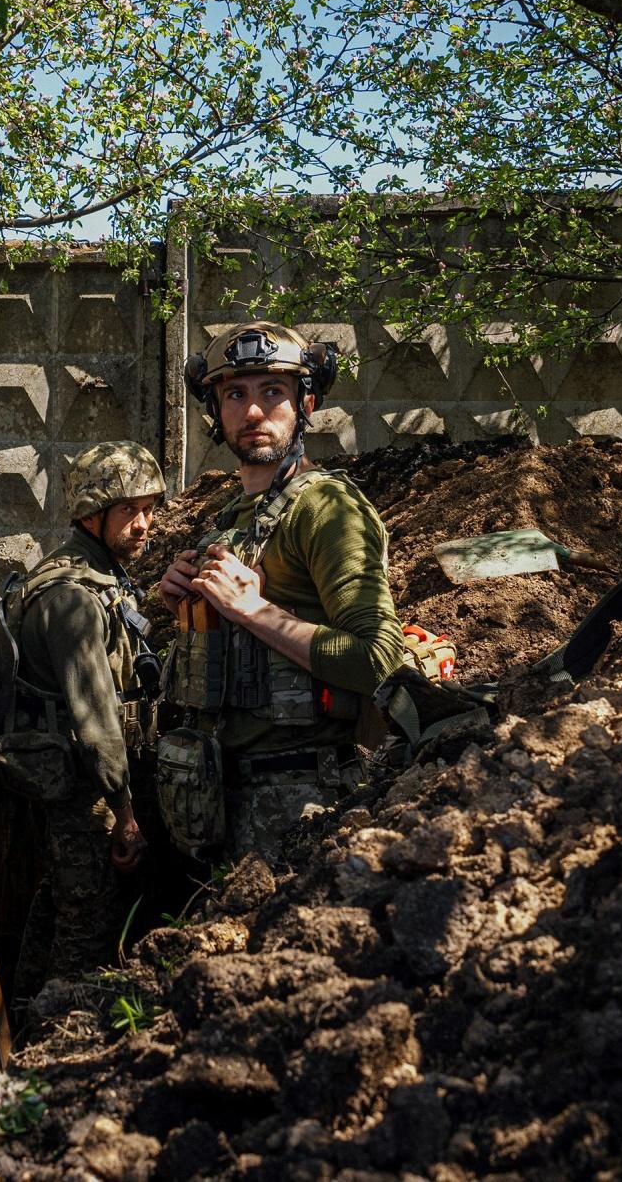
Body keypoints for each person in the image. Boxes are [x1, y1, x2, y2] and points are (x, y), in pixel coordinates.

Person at [155, 321, 406, 863]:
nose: (252, 413)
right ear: (214, 413)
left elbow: (379, 660)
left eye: (273, 392)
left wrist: (252, 610)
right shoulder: (232, 516)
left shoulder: (328, 509)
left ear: (305, 402)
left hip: (299, 806)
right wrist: (190, 610)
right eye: (235, 394)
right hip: (216, 796)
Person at [0, 441, 163, 997]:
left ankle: (29, 1003)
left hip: (76, 788)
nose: (143, 524)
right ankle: (54, 1040)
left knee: (61, 906)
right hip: (83, 794)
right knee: (87, 930)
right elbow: (98, 721)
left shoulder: (93, 575)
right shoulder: (73, 598)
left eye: (148, 509)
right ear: (90, 513)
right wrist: (125, 812)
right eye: (128, 510)